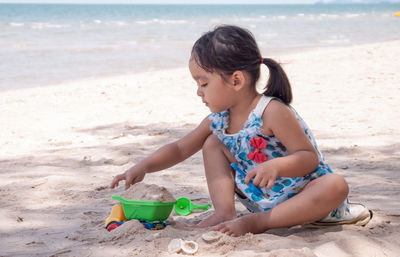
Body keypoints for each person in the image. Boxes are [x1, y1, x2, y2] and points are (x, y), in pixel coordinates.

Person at [110, 25, 371, 236]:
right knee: (212, 143)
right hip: (264, 199)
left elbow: (308, 157)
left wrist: (277, 167)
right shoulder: (218, 120)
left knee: (336, 185)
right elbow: (180, 148)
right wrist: (142, 167)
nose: (198, 92)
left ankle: (258, 223)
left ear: (236, 79)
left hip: (307, 198)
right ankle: (225, 212)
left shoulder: (272, 111)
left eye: (203, 83)